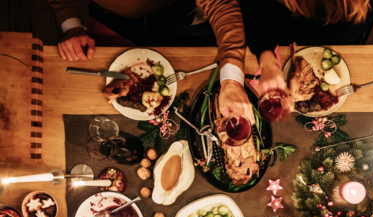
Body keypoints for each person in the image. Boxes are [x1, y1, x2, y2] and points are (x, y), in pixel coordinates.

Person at [47, 0, 252, 128]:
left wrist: (232, 80)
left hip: (178, 12)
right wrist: (71, 26)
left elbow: (221, 4)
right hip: (111, 17)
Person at [238, 0, 373, 98]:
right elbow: (251, 13)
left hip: (342, 38)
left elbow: (351, 33)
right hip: (281, 32)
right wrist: (266, 55)